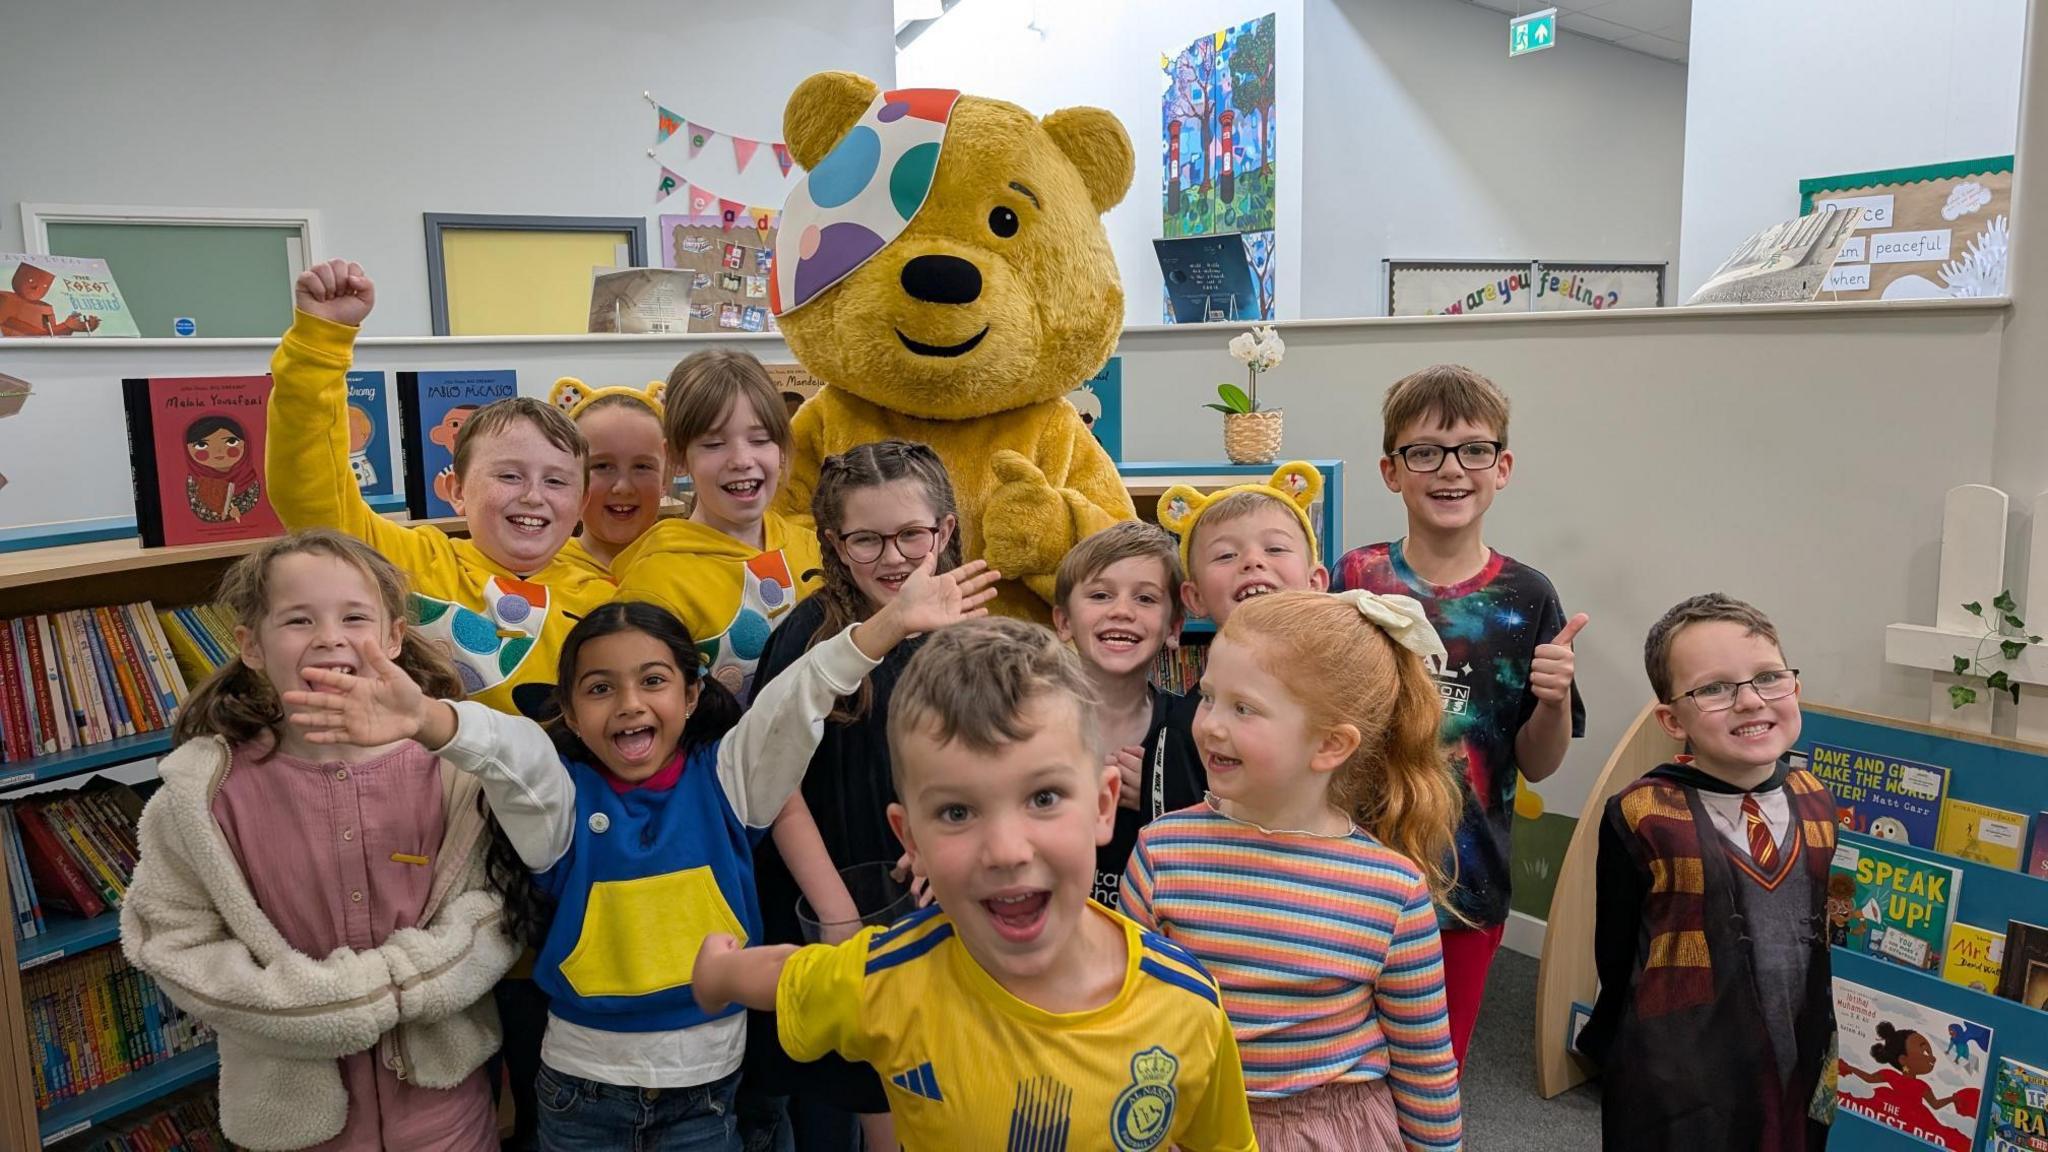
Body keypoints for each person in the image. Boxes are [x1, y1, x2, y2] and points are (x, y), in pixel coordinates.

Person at [284, 566, 997, 1152]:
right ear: (570, 707)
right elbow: (511, 755)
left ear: (692, 695)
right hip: (579, 1094)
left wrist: (886, 625)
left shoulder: (730, 783)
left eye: (653, 681)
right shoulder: (558, 806)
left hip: (709, 1092)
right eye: (600, 689)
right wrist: (427, 721)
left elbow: (796, 699)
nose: (629, 704)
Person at [691, 618, 1258, 1152]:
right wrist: (717, 973)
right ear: (909, 838)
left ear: (1104, 805)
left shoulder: (1186, 1006)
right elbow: (787, 976)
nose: (1007, 851)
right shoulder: (887, 978)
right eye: (958, 812)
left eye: (1043, 798)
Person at [121, 530, 518, 1151]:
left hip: (448, 1115)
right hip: (294, 1123)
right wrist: (317, 1007)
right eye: (299, 619)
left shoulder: (452, 771)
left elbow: (493, 908)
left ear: (391, 636)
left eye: (354, 617)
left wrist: (403, 982)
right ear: (250, 644)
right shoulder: (205, 795)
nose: (330, 637)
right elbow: (174, 938)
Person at [1122, 590, 1464, 1151]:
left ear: (1331, 744)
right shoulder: (1161, 852)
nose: (1208, 725)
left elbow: (1424, 1061)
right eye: (1208, 698)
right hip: (1192, 1123)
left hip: (1326, 1133)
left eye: (1244, 708)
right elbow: (1129, 1011)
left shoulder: (1391, 892)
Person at [1332, 365, 1586, 1065]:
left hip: (1466, 889)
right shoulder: (1354, 578)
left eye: (1474, 450)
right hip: (1349, 870)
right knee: (1339, 1068)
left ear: (1502, 467)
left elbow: (1538, 761)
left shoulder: (1527, 595)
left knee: (1432, 1074)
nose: (1451, 470)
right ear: (1392, 470)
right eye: (1425, 452)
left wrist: (1555, 697)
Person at [271, 259, 617, 721]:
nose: (533, 495)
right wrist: (320, 343)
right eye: (509, 476)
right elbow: (309, 486)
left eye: (556, 481)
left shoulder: (607, 597)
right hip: (431, 784)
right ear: (455, 489)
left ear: (580, 505)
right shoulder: (412, 562)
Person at [743, 440, 967, 1152]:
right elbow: (774, 789)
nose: (893, 558)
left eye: (911, 535)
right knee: (874, 1102)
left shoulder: (967, 633)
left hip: (942, 902)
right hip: (840, 902)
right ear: (836, 544)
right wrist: (837, 915)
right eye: (867, 539)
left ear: (946, 531)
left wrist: (951, 848)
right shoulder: (808, 637)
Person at [1577, 593, 1835, 1151]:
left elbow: (1814, 935)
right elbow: (1618, 951)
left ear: (1794, 688)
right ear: (1672, 719)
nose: (1749, 701)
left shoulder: (1817, 801)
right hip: (1680, 1066)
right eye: (1714, 688)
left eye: (1768, 677)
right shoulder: (1642, 812)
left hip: (1798, 1047)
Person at [613, 349, 824, 702]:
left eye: (760, 440)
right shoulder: (654, 584)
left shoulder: (814, 549)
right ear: (678, 457)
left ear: (782, 448)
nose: (742, 460)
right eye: (713, 444)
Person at [1152, 460, 1333, 830]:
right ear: (1194, 597)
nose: (1252, 561)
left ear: (1315, 582)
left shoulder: (1346, 702)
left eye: (1276, 549)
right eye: (1225, 555)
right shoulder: (1188, 727)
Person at [1048, 519, 1193, 908]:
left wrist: (1159, 796)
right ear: (1064, 622)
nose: (1122, 611)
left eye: (1145, 599)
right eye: (1100, 595)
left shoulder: (1191, 731)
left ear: (1174, 628)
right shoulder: (1027, 726)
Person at [549, 377, 670, 572]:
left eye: (642, 467)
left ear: (665, 475)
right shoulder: (540, 572)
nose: (623, 487)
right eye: (603, 466)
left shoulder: (689, 569)